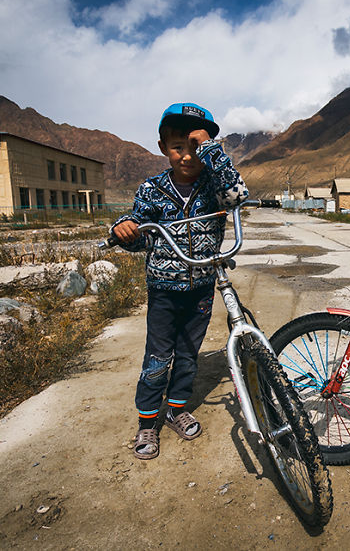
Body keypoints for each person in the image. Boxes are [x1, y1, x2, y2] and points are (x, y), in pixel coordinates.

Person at [110, 102, 248, 460]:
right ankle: (147, 421)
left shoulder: (214, 184)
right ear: (163, 148)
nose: (187, 156)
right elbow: (141, 231)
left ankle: (176, 409)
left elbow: (237, 196)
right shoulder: (153, 188)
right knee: (158, 358)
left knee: (188, 355)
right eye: (178, 148)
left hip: (201, 286)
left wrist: (212, 150)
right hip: (164, 291)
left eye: (195, 147)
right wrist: (125, 229)